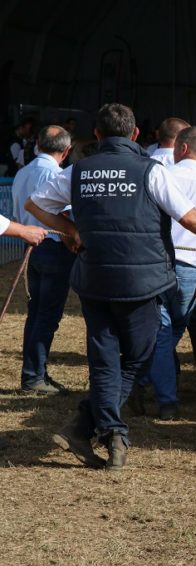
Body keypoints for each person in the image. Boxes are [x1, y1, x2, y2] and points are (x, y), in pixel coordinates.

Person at [26, 103, 196, 471]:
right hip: (141, 282)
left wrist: (71, 230)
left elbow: (33, 205)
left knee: (104, 359)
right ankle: (110, 430)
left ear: (97, 135)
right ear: (135, 135)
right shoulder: (152, 171)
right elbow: (191, 218)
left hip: (94, 279)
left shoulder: (78, 171)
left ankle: (89, 427)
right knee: (139, 355)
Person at [134, 126, 196, 419]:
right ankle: (146, 388)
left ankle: (154, 393)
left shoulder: (162, 177)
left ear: (182, 149)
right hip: (192, 269)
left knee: (162, 334)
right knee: (168, 332)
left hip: (158, 265)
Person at [11, 125, 74, 394]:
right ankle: (34, 376)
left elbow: (15, 212)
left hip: (30, 247)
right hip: (53, 247)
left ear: (38, 143)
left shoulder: (22, 172)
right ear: (66, 150)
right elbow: (67, 217)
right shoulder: (58, 175)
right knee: (47, 315)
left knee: (36, 313)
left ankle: (35, 372)